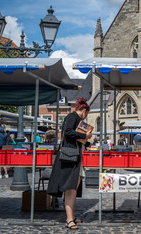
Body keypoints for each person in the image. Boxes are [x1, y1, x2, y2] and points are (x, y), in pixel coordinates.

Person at [47, 98, 93, 230]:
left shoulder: (75, 118)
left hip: (74, 157)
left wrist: (88, 142)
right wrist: (85, 136)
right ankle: (68, 220)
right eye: (86, 114)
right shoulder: (72, 117)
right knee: (70, 189)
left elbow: (75, 138)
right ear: (84, 111)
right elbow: (67, 132)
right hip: (70, 158)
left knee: (72, 188)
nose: (86, 117)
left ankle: (71, 217)